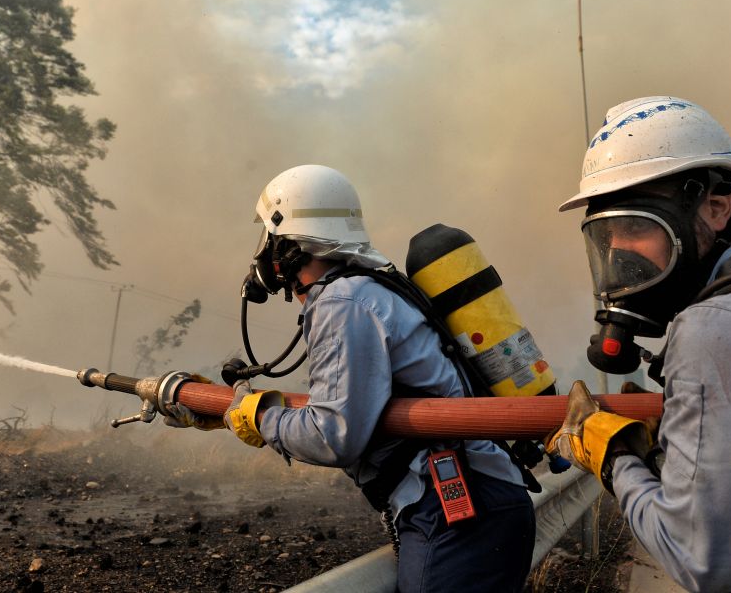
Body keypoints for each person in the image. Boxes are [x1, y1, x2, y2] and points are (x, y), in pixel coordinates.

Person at [172, 164, 536, 592]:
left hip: (459, 510)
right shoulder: (364, 290)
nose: (264, 256)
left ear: (289, 245)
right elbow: (346, 404)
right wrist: (234, 410)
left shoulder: (342, 303)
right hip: (469, 503)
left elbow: (333, 434)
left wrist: (260, 420)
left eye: (269, 240)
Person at [549, 96, 731, 591]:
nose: (618, 252)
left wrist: (614, 458)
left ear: (717, 208)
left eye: (635, 225)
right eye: (607, 234)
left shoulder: (719, 329)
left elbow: (704, 563)